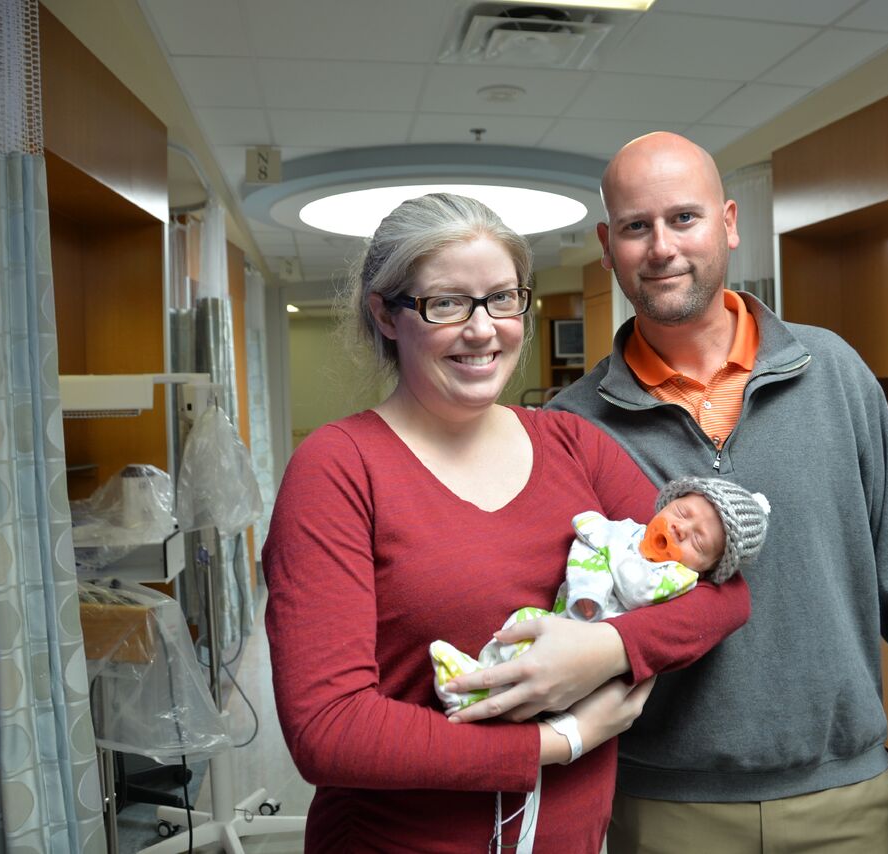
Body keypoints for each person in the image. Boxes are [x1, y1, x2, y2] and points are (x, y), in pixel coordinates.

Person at [447, 132, 888, 852]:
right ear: (608, 246)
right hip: (662, 798)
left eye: (683, 218)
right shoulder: (570, 425)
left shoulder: (833, 373)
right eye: (637, 227)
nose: (662, 246)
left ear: (729, 222)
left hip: (839, 789)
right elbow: (564, 603)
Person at [262, 192, 751, 853]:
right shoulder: (339, 469)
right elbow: (329, 730)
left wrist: (599, 654)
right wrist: (559, 740)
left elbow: (720, 594)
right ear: (385, 313)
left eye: (502, 298)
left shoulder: (575, 446)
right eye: (445, 303)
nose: (482, 328)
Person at [432, 476, 771, 715]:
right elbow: (587, 536)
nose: (681, 529)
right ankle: (478, 671)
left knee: (548, 684)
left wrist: (608, 547)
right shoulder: (626, 531)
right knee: (521, 623)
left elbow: (636, 589)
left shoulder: (677, 577)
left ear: (706, 570)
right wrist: (590, 582)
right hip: (563, 615)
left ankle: (476, 695)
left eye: (698, 541)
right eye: (682, 513)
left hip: (596, 665)